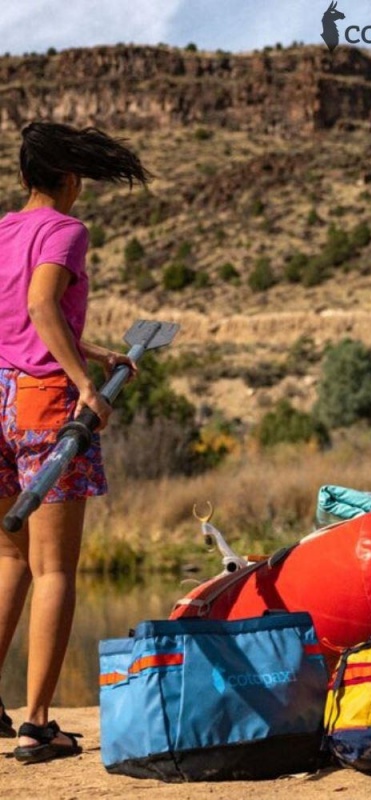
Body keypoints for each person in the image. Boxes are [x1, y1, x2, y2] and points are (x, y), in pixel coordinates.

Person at [0, 122, 150, 763]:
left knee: (8, 558)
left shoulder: (4, 228)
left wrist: (85, 346)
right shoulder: (66, 229)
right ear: (70, 178)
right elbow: (39, 306)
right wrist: (87, 383)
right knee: (53, 566)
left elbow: (16, 319)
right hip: (43, 403)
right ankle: (37, 724)